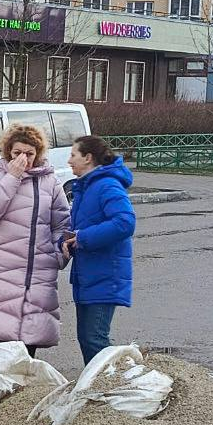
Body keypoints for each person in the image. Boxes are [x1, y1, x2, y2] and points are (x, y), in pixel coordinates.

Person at [0, 124, 71, 357]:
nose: (23, 159)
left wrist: (57, 255)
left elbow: (62, 224)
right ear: (7, 152)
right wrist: (12, 177)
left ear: (39, 153)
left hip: (35, 273)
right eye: (17, 153)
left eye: (29, 154)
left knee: (25, 350)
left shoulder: (50, 182)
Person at [64, 135, 136, 364]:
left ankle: (114, 390)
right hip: (89, 274)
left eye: (73, 155)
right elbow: (81, 227)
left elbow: (125, 222)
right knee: (88, 339)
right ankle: (100, 390)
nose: (68, 161)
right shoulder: (86, 187)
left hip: (105, 274)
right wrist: (68, 241)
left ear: (88, 158)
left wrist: (84, 238)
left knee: (95, 340)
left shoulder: (107, 185)